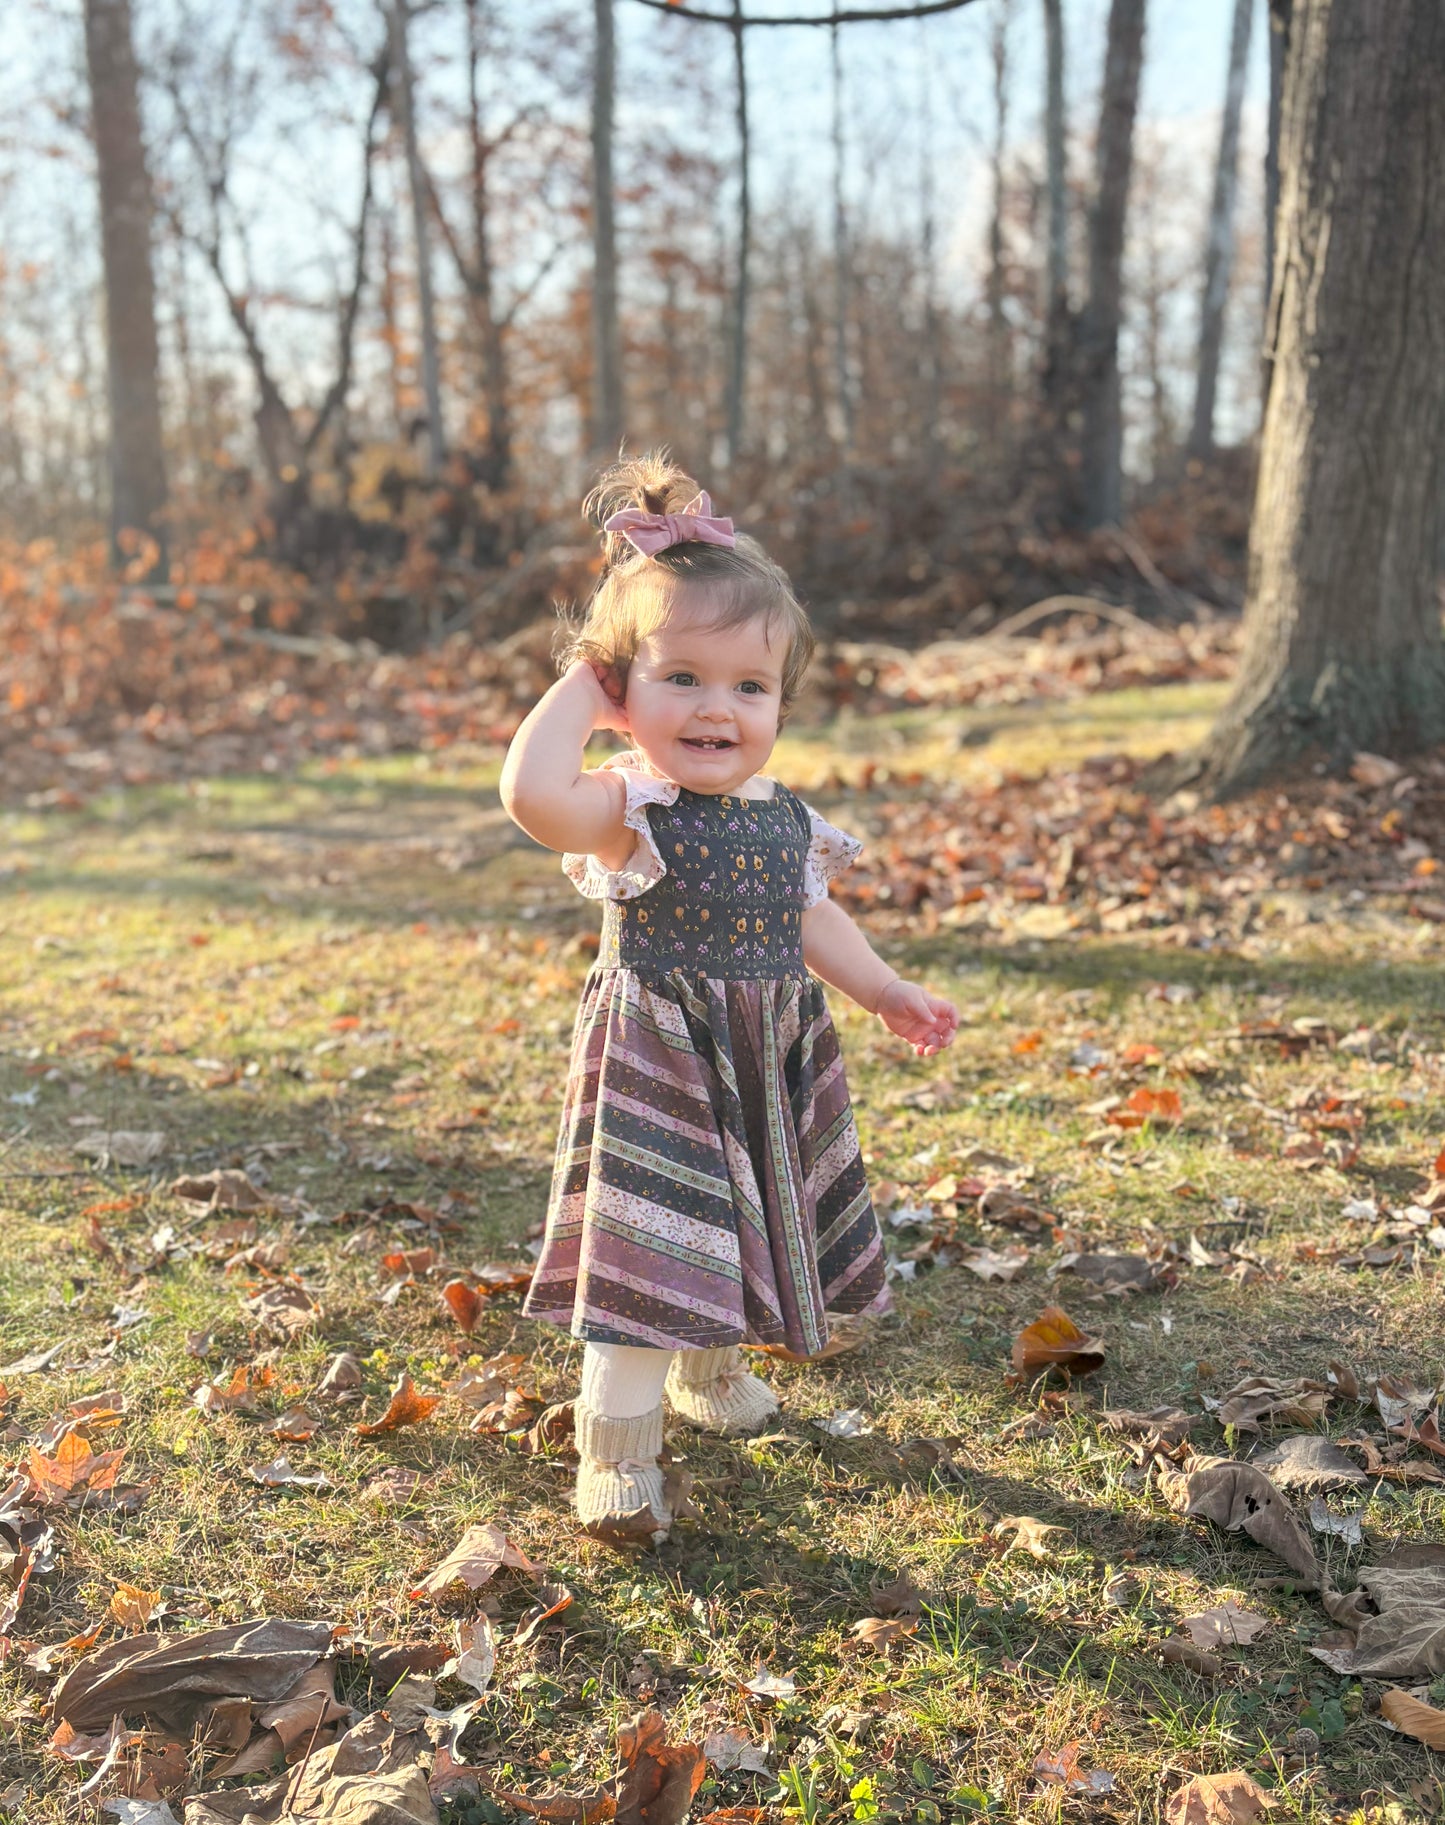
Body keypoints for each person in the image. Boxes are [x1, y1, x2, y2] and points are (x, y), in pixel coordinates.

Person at [499, 452, 958, 1538]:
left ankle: (707, 1373)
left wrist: (884, 988)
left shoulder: (781, 814)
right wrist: (582, 682)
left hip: (762, 1049)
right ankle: (615, 1448)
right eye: (682, 680)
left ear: (780, 700)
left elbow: (808, 919)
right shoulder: (628, 805)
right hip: (661, 1055)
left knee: (742, 1211)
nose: (719, 710)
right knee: (655, 1233)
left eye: (749, 687)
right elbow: (529, 795)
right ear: (624, 694)